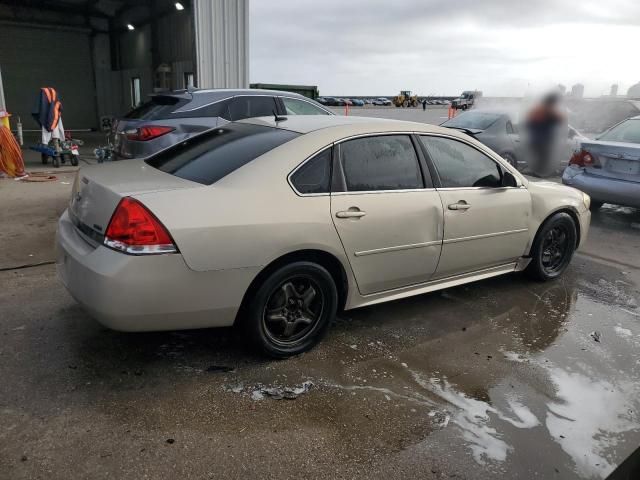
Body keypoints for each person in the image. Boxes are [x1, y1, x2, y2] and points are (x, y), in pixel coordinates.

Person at [525, 92, 566, 177]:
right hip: (543, 141)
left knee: (540, 158)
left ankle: (537, 173)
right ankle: (540, 175)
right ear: (551, 102)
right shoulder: (548, 111)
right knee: (544, 158)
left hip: (536, 139)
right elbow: (560, 119)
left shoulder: (538, 110)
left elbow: (529, 125)